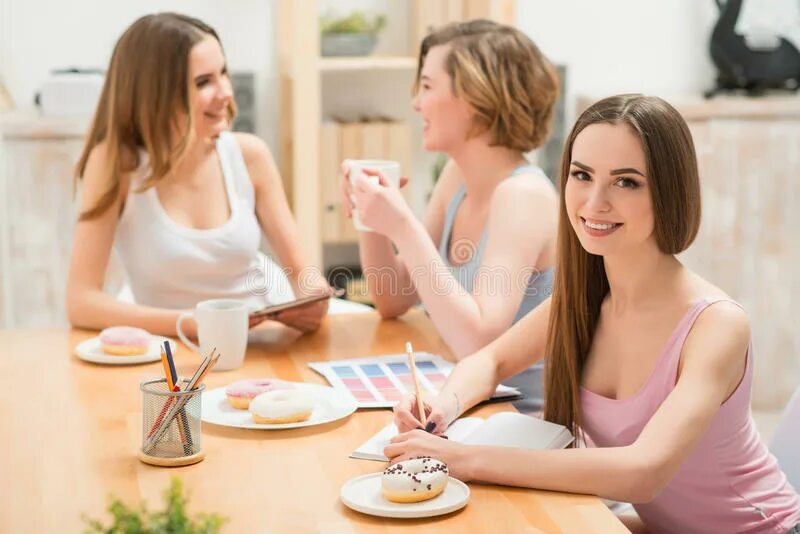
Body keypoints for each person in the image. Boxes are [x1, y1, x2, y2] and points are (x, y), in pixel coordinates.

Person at [387, 94, 800, 533]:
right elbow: (490, 361)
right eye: (582, 175)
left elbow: (643, 472)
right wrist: (441, 410)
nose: (594, 202)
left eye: (626, 182)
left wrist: (466, 459)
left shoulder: (716, 325)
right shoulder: (582, 302)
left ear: (669, 191)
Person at [66, 13, 330, 338]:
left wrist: (313, 299)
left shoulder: (250, 156)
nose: (226, 92)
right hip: (176, 355)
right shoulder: (117, 166)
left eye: (224, 73)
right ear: (155, 93)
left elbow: (305, 276)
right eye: (203, 82)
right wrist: (191, 323)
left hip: (260, 343)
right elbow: (81, 302)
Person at [341, 20, 559, 412]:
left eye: (427, 86)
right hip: (468, 405)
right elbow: (393, 298)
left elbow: (478, 345)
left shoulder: (523, 196)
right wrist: (370, 219)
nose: (415, 103)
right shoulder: (457, 176)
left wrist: (404, 226)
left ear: (476, 97)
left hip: (518, 417)